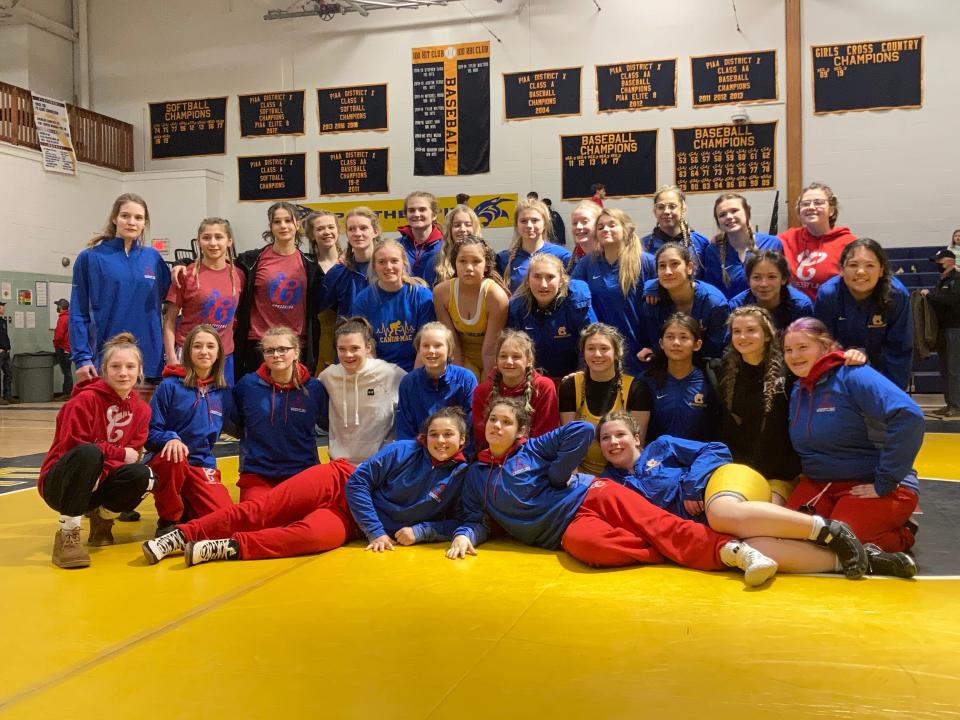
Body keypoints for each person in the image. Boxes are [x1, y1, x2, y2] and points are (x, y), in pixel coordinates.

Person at [447, 398, 782, 587]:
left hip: (591, 493)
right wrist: (464, 535)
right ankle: (675, 548)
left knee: (657, 523)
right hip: (564, 530)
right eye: (492, 420)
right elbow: (473, 517)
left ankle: (734, 552)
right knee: (592, 549)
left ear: (520, 430)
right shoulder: (476, 475)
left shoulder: (532, 449)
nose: (496, 426)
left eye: (506, 422)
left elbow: (580, 429)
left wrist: (557, 473)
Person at [596, 412, 914, 578]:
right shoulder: (608, 485)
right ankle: (861, 559)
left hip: (717, 488)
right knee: (755, 549)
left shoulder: (662, 446)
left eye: (620, 434)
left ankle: (829, 528)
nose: (614, 443)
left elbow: (716, 449)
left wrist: (694, 485)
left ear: (636, 437)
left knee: (723, 514)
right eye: (606, 438)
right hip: (704, 524)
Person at [783, 318, 923, 553]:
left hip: (870, 483)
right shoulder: (799, 388)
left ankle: (903, 533)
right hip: (821, 483)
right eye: (788, 349)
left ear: (826, 347)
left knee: (845, 541)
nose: (794, 355)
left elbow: (909, 416)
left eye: (803, 347)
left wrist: (885, 482)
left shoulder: (853, 375)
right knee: (787, 535)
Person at [38, 333, 154, 568]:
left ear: (140, 370)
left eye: (130, 366)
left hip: (97, 482)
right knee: (89, 454)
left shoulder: (142, 410)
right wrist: (116, 454)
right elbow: (73, 448)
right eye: (116, 366)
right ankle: (68, 534)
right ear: (104, 369)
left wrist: (102, 472)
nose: (123, 373)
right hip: (62, 482)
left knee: (143, 475)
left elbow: (134, 455)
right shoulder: (84, 401)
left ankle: (103, 519)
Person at [142, 459, 357, 566]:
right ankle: (181, 535)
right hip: (341, 480)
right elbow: (369, 475)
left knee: (313, 537)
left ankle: (225, 548)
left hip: (354, 518)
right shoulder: (392, 453)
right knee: (260, 512)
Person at [70, 193, 171, 382]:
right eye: (125, 216)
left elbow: (176, 301)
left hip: (150, 362)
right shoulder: (90, 258)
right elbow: (78, 312)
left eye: (138, 218)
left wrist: (183, 265)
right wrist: (82, 357)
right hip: (106, 361)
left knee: (146, 413)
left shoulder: (153, 258)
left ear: (144, 223)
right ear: (114, 218)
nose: (131, 222)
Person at [145, 325, 234, 536]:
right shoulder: (169, 386)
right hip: (169, 460)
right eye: (197, 346)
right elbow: (150, 433)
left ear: (219, 353)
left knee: (225, 522)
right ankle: (168, 518)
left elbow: (242, 425)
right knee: (174, 458)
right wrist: (170, 438)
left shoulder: (223, 392)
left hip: (201, 463)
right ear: (188, 352)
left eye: (210, 346)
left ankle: (188, 503)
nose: (204, 351)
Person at [218, 202, 321, 381]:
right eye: (277, 221)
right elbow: (217, 264)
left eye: (288, 220)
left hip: (295, 344)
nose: (283, 226)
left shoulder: (310, 264)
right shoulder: (252, 260)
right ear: (270, 226)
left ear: (297, 224)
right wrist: (183, 264)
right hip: (259, 344)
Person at [347, 407, 472, 552]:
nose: (440, 440)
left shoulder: (462, 475)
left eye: (448, 434)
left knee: (316, 537)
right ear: (426, 437)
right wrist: (375, 531)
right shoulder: (401, 450)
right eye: (433, 434)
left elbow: (459, 522)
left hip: (355, 529)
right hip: (342, 492)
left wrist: (421, 532)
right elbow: (357, 482)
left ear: (462, 439)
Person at [231, 326, 326, 502]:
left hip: (303, 472)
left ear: (296, 352)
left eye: (283, 349)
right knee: (254, 523)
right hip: (258, 474)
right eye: (270, 351)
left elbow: (327, 422)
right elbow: (234, 422)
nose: (276, 355)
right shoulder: (248, 385)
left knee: (306, 524)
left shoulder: (315, 389)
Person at [815, 238, 913, 389]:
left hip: (882, 374)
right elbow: (823, 345)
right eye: (853, 265)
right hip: (840, 370)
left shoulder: (897, 296)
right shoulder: (828, 295)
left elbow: (899, 350)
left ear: (881, 270)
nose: (861, 272)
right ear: (841, 269)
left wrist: (890, 393)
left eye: (870, 265)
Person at [571, 207, 655, 375]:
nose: (605, 230)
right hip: (601, 353)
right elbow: (571, 295)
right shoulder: (587, 264)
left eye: (612, 225)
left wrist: (655, 346)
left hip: (639, 351)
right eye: (600, 227)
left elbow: (663, 307)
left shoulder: (646, 262)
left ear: (626, 229)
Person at [558, 323, 648, 474]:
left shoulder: (636, 389)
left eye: (604, 348)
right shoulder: (570, 386)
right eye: (591, 348)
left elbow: (637, 446)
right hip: (582, 475)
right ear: (583, 352)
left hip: (623, 473)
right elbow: (569, 445)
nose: (597, 354)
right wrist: (578, 484)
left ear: (617, 352)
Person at [163, 217, 244, 382]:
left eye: (219, 237)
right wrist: (171, 356)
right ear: (199, 241)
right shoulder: (186, 274)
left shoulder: (239, 275)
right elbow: (169, 320)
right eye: (206, 238)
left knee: (220, 407)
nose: (213, 243)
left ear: (229, 241)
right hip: (190, 355)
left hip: (224, 357)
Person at [317, 317, 406, 464]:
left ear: (368, 348)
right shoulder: (328, 376)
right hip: (339, 464)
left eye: (355, 348)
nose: (348, 355)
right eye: (342, 349)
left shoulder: (391, 374)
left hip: (379, 465)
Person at [507, 253, 597, 383]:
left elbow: (593, 341)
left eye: (550, 277)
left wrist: (582, 374)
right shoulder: (518, 308)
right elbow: (515, 350)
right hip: (534, 380)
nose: (543, 285)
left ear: (561, 280)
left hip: (573, 377)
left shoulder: (576, 302)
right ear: (528, 280)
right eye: (537, 277)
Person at [352, 239, 435, 371]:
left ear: (404, 263)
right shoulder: (363, 300)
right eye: (381, 262)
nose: (388, 267)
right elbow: (365, 346)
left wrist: (414, 380)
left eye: (394, 261)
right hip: (378, 370)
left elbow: (425, 344)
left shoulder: (421, 295)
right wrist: (381, 376)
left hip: (417, 368)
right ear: (374, 266)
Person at [433, 236, 509, 380]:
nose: (468, 268)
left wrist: (488, 386)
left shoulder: (496, 296)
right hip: (461, 356)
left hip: (493, 357)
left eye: (476, 261)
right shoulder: (441, 293)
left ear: (486, 265)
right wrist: (461, 381)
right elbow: (453, 345)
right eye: (462, 261)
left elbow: (490, 350)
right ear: (454, 263)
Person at [471, 329, 559, 451]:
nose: (509, 361)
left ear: (529, 360)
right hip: (492, 457)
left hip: (532, 458)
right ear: (496, 360)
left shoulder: (543, 387)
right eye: (503, 356)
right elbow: (482, 438)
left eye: (516, 356)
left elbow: (545, 436)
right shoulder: (482, 391)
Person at [640, 243, 730, 360]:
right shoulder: (652, 300)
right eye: (662, 266)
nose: (668, 272)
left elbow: (716, 350)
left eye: (674, 264)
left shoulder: (714, 303)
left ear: (689, 268)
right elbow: (656, 341)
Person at [639, 313, 719, 443]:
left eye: (683, 337)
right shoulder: (646, 381)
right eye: (670, 337)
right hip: (656, 458)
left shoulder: (711, 380)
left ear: (697, 344)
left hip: (700, 458)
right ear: (661, 343)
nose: (676, 343)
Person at [395, 323, 477, 442]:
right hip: (419, 452)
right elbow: (405, 430)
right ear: (418, 349)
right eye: (425, 346)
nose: (431, 351)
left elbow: (471, 426)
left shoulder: (466, 379)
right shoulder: (408, 382)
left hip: (456, 451)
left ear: (449, 350)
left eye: (438, 345)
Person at [778, 182, 856, 301]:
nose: (811, 207)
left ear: (831, 210)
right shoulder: (787, 238)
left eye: (818, 203)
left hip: (830, 313)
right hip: (795, 314)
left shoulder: (849, 243)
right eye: (805, 204)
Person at [703, 193, 784, 299]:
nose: (729, 217)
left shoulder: (772, 244)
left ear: (747, 213)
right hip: (730, 313)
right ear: (718, 221)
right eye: (722, 215)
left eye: (734, 211)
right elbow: (713, 294)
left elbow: (782, 285)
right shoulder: (713, 251)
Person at [317, 206, 379, 322]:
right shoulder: (337, 272)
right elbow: (320, 309)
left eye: (363, 228)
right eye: (352, 229)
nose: (357, 233)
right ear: (346, 233)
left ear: (375, 231)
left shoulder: (390, 268)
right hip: (350, 337)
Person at [497, 198, 572, 292]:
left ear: (545, 223)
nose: (529, 225)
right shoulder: (503, 259)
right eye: (523, 221)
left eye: (535, 220)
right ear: (517, 224)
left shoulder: (563, 256)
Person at [729, 251, 814, 332]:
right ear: (748, 280)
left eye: (772, 277)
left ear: (783, 279)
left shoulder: (800, 306)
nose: (764, 284)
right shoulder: (737, 306)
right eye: (756, 277)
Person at [304, 210, 343, 374]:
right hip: (318, 339)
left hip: (348, 333)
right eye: (320, 229)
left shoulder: (351, 262)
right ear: (311, 235)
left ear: (338, 231)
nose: (327, 232)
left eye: (331, 227)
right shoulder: (306, 265)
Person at [922, 249, 960, 416]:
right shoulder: (942, 280)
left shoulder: (957, 279)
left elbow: (952, 300)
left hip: (955, 328)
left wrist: (930, 295)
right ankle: (950, 403)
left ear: (950, 261)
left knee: (954, 369)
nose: (937, 264)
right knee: (945, 369)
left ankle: (956, 405)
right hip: (943, 329)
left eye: (940, 260)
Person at [640, 186, 709, 275]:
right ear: (655, 211)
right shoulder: (642, 246)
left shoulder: (701, 243)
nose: (666, 211)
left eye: (672, 206)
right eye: (661, 207)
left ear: (683, 209)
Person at [397, 191, 443, 285]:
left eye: (422, 210)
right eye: (411, 210)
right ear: (406, 215)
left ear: (434, 215)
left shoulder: (446, 246)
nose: (416, 214)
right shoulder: (396, 246)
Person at [434, 204, 483, 284]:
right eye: (457, 225)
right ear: (450, 230)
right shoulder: (437, 260)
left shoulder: (488, 257)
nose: (463, 229)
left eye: (468, 225)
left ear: (475, 228)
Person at [53, 299, 73, 398]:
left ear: (60, 307)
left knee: (66, 372)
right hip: (69, 348)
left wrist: (55, 344)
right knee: (68, 371)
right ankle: (68, 392)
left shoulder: (63, 318)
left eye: (57, 306)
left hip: (63, 348)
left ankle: (67, 393)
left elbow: (59, 336)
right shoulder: (71, 317)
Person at [0, 301, 9, 404]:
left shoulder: (3, 321)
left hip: (5, 351)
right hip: (0, 351)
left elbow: (5, 335)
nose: (3, 308)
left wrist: (8, 347)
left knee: (8, 373)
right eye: (1, 307)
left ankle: (7, 395)